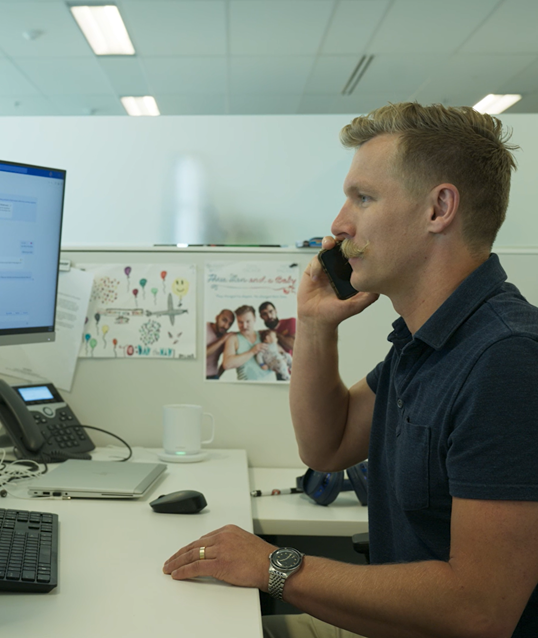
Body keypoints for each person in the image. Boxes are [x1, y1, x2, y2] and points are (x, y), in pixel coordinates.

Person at [162, 102, 538, 638]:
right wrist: (315, 325)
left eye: (363, 198)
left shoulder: (506, 358)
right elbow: (327, 444)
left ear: (439, 209)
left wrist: (274, 566)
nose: (339, 225)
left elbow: (481, 610)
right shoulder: (426, 344)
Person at [221, 305, 273, 381]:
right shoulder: (233, 339)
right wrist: (252, 351)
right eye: (240, 322)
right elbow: (227, 364)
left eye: (248, 321)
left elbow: (280, 353)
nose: (244, 326)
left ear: (254, 319)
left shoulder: (264, 335)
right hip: (246, 387)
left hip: (271, 383)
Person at [205, 309, 235, 379]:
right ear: (217, 317)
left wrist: (218, 375)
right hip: (197, 374)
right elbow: (202, 354)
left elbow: (228, 360)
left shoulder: (227, 338)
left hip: (212, 376)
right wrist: (222, 340)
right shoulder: (204, 328)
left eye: (230, 324)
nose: (226, 326)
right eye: (224, 320)